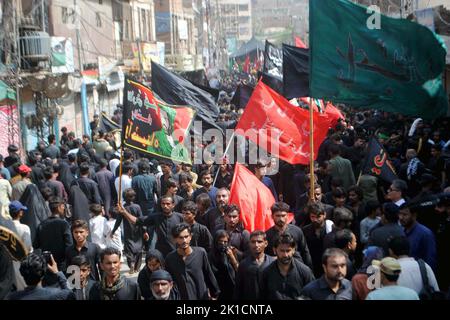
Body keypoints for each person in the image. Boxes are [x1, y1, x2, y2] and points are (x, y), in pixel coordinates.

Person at [165, 223, 220, 300]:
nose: (184, 240)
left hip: (201, 296)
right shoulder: (170, 258)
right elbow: (169, 281)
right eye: (180, 238)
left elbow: (208, 274)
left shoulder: (201, 253)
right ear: (175, 239)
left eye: (186, 237)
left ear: (190, 237)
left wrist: (215, 294)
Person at [119, 195, 183, 257]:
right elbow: (136, 221)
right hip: (160, 253)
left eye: (168, 204)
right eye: (163, 204)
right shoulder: (156, 217)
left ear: (173, 205)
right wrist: (124, 212)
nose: (165, 206)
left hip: (177, 252)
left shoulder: (180, 217)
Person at [260, 233, 315, 299]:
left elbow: (313, 295)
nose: (285, 255)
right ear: (275, 250)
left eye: (288, 251)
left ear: (293, 250)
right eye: (282, 251)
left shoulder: (305, 272)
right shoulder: (266, 273)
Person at [7, 252, 75, 300]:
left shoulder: (13, 297)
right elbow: (70, 294)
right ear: (43, 274)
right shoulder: (56, 294)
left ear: (22, 273)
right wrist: (57, 272)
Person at [265, 202, 313, 269]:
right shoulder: (268, 235)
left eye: (283, 216)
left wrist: (309, 269)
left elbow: (305, 252)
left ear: (287, 216)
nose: (281, 219)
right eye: (278, 216)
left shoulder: (297, 231)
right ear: (272, 216)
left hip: (297, 268)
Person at [234, 230, 275, 300]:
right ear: (249, 244)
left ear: (266, 243)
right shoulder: (244, 265)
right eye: (253, 242)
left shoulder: (273, 262)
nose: (256, 245)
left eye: (259, 242)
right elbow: (238, 289)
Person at [33, 197, 73, 270]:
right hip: (62, 264)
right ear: (59, 207)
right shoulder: (64, 224)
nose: (64, 209)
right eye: (63, 206)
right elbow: (69, 244)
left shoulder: (41, 224)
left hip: (47, 264)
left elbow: (36, 245)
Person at [113, 188, 144, 274]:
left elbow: (118, 221)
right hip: (138, 230)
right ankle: (137, 267)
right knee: (138, 249)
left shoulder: (123, 208)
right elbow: (141, 220)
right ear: (133, 197)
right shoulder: (137, 207)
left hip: (128, 231)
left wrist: (113, 231)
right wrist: (145, 231)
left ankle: (131, 264)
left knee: (129, 249)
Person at [398, 203, 437, 271]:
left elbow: (430, 259)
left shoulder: (425, 233)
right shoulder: (401, 231)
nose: (401, 217)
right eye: (400, 214)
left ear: (414, 216)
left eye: (405, 215)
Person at [302, 203, 334, 277]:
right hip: (312, 264)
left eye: (318, 217)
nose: (315, 220)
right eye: (313, 217)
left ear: (324, 215)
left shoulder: (330, 229)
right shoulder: (305, 230)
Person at [209, 230, 239, 300]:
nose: (223, 244)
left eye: (225, 242)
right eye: (220, 242)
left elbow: (239, 270)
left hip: (231, 288)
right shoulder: (210, 256)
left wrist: (232, 257)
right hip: (218, 290)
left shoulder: (231, 252)